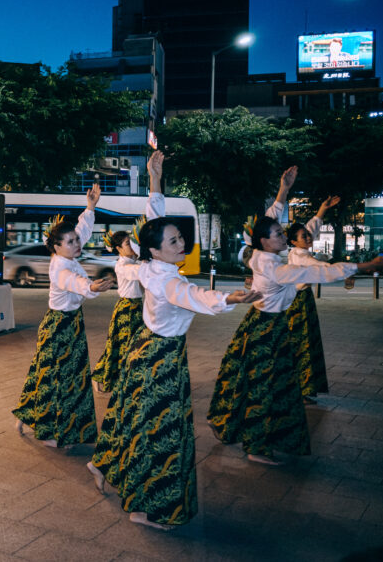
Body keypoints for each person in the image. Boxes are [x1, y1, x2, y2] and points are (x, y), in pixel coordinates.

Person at [207, 167, 383, 465]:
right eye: (279, 234)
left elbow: (268, 221)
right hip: (267, 330)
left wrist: (283, 190)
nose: (284, 236)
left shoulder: (260, 254)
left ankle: (234, 425)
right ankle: (257, 445)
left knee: (255, 380)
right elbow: (318, 272)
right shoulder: (276, 268)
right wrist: (365, 266)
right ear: (264, 241)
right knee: (266, 386)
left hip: (262, 325)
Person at [88, 217, 261, 530]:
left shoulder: (149, 268)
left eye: (181, 237)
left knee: (134, 418)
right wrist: (227, 298)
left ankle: (103, 464)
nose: (182, 244)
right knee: (161, 431)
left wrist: (155, 189)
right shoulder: (166, 280)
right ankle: (145, 509)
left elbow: (139, 265)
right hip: (161, 361)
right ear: (155, 250)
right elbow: (191, 295)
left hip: (149, 350)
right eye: (173, 241)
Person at [12, 183, 115, 447]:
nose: (77, 243)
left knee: (66, 377)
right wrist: (92, 287)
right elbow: (74, 282)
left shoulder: (68, 255)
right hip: (58, 327)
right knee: (56, 378)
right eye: (70, 242)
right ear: (56, 247)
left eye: (76, 240)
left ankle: (45, 423)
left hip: (71, 323)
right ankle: (50, 432)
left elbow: (82, 230)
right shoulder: (59, 267)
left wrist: (90, 206)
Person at [92, 151, 166, 393]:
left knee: (127, 346)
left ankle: (118, 378)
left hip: (135, 308)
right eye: (127, 244)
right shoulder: (123, 265)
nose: (131, 248)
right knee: (123, 347)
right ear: (118, 248)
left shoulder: (132, 261)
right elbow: (139, 273)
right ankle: (112, 379)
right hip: (126, 309)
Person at [285, 195, 340, 402]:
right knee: (303, 344)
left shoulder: (297, 249)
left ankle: (299, 387)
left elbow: (311, 227)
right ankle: (299, 388)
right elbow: (320, 266)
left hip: (300, 299)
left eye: (308, 235)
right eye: (304, 237)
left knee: (303, 343)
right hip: (299, 303)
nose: (308, 238)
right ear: (293, 241)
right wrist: (344, 270)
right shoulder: (301, 255)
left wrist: (322, 209)